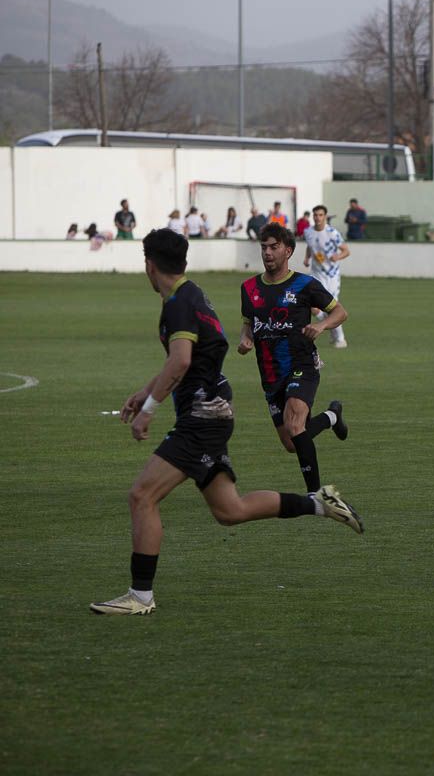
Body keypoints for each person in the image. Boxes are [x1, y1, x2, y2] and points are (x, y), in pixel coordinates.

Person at [89, 228, 361, 616]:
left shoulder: (180, 303)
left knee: (141, 496)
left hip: (202, 417)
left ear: (150, 265)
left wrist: (150, 405)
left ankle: (140, 596)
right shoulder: (194, 295)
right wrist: (143, 391)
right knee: (229, 510)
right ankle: (319, 504)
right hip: (215, 409)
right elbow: (188, 358)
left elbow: (181, 361)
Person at [239, 223, 350, 493]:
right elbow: (248, 322)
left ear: (288, 251)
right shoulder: (249, 288)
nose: (267, 252)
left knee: (295, 423)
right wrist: (246, 338)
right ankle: (331, 417)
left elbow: (340, 313)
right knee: (291, 441)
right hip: (270, 373)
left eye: (274, 247)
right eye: (264, 247)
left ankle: (316, 495)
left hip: (302, 365)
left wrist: (322, 326)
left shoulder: (305, 284)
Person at [303, 204, 351, 349]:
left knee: (331, 308)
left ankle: (340, 339)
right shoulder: (308, 232)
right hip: (316, 273)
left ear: (325, 216)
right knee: (312, 306)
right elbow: (310, 246)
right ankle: (331, 327)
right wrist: (307, 258)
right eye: (315, 215)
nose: (317, 218)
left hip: (331, 276)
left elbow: (346, 251)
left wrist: (338, 256)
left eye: (320, 215)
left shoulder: (332, 233)